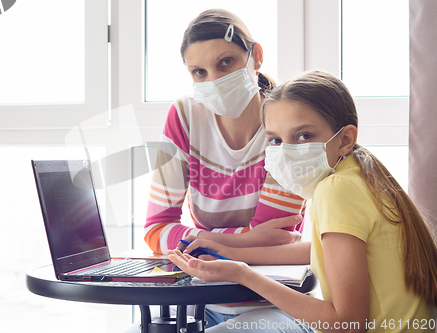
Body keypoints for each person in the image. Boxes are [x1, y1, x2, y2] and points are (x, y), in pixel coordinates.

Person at [168, 71, 437, 332]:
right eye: (275, 140)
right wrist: (234, 253)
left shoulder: (337, 190)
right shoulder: (357, 175)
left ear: (345, 139)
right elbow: (324, 251)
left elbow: (346, 324)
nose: (287, 151)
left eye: (304, 136)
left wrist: (243, 274)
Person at [144, 8, 306, 255]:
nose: (214, 81)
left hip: (271, 278)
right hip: (203, 276)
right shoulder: (184, 116)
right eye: (200, 72)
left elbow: (276, 239)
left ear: (257, 56)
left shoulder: (290, 120)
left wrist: (199, 241)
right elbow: (155, 229)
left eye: (226, 62)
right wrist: (247, 238)